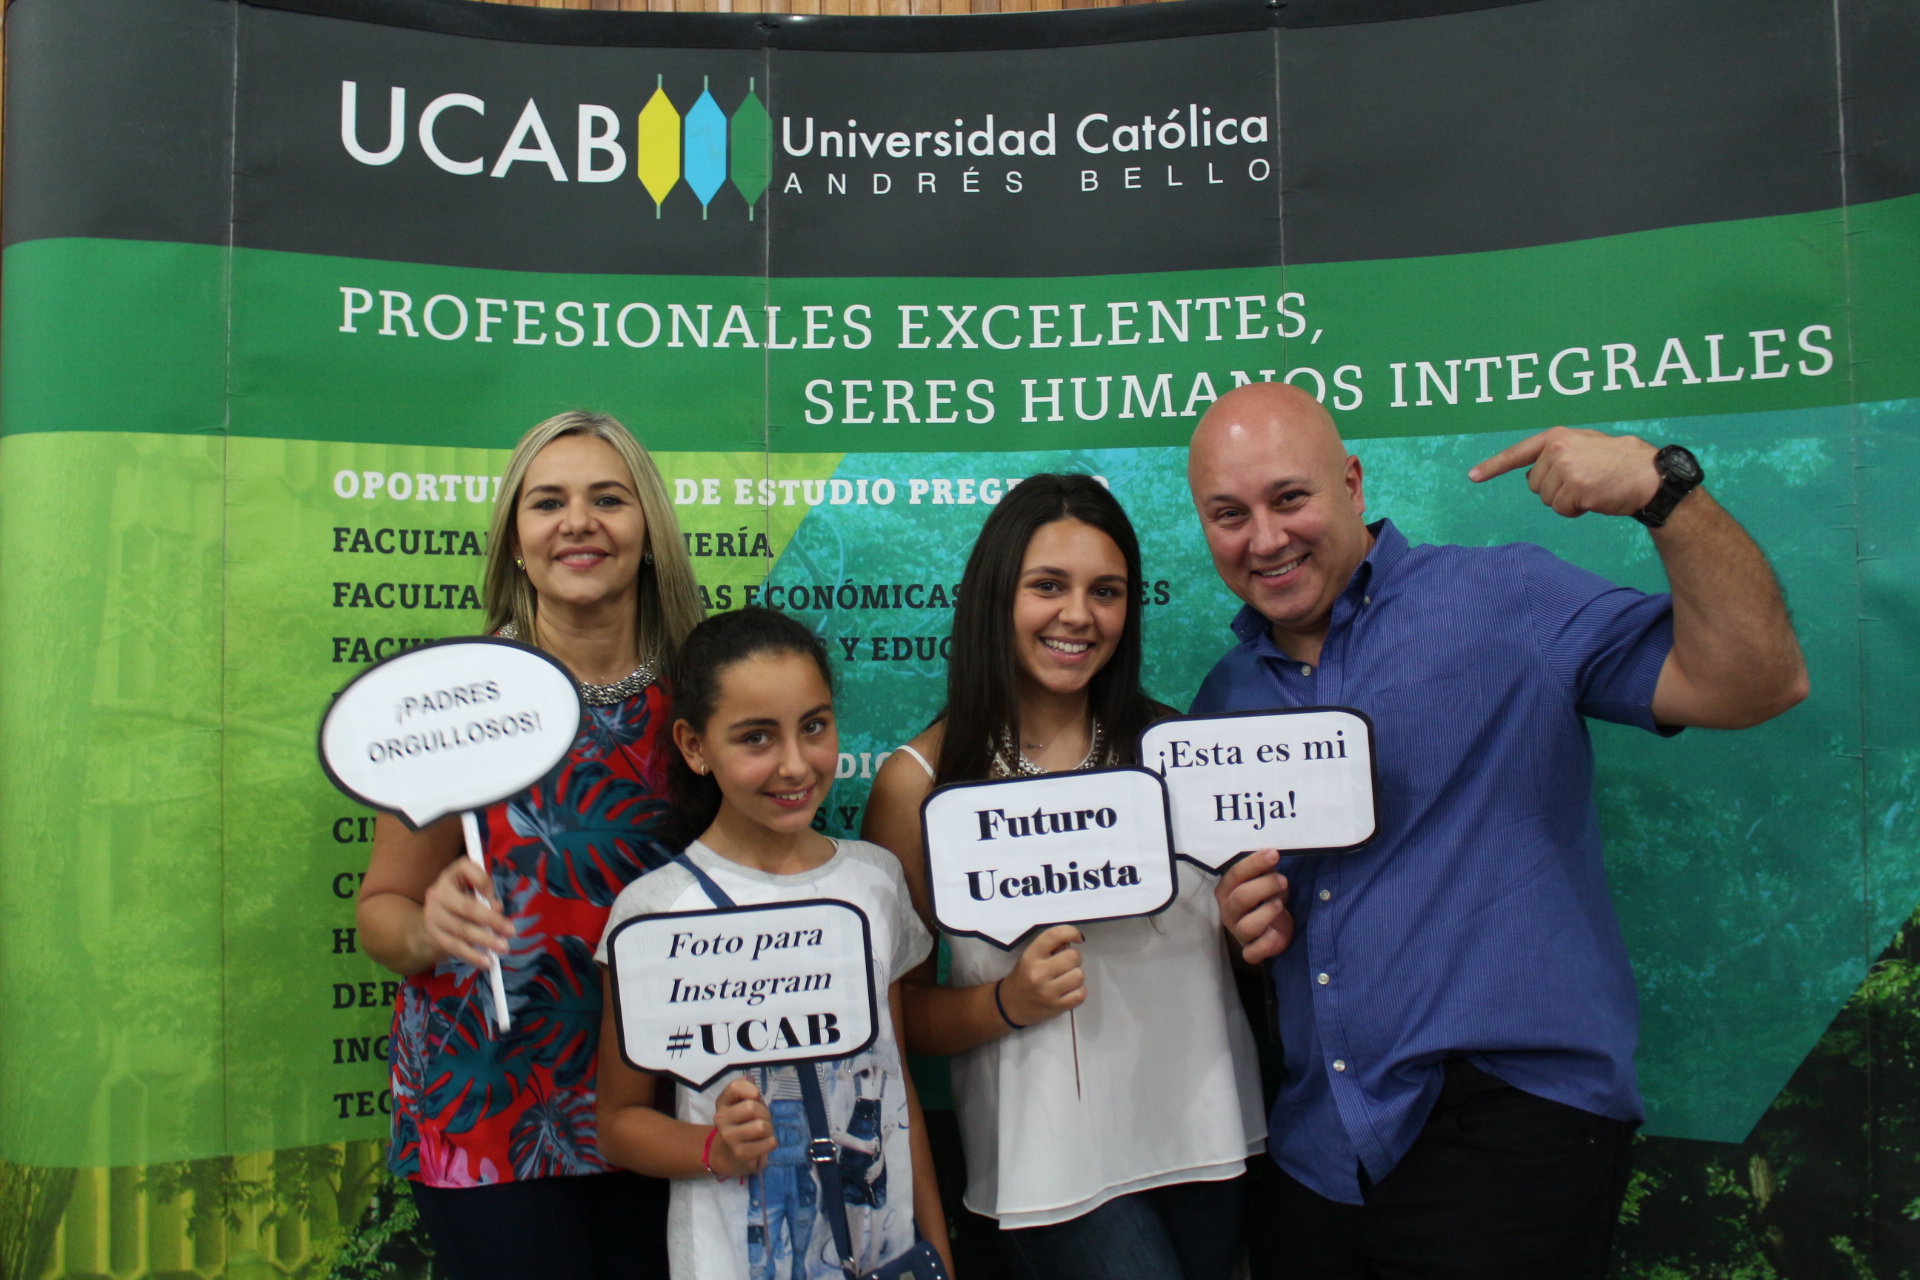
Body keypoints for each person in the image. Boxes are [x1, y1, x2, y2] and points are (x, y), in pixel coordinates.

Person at [1190, 383, 1809, 1277]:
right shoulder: (1224, 700)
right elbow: (1246, 915)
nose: (1266, 538)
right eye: (1229, 514)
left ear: (1353, 483)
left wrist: (1662, 491)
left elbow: (1760, 681)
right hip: (1316, 1158)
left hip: (1513, 1135)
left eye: (1290, 498)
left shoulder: (1507, 596)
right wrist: (1238, 915)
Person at [862, 473, 1265, 1280]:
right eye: (1048, 586)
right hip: (1051, 1164)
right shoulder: (922, 783)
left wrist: (1247, 923)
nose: (1079, 615)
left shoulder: (1181, 754)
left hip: (1211, 1138)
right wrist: (1007, 1001)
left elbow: (1251, 945)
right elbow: (895, 1022)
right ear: (993, 598)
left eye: (1106, 591)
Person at [355, 411, 704, 1280]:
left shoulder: (708, 695)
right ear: (516, 540)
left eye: (608, 499)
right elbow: (381, 911)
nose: (578, 522)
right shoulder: (454, 701)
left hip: (669, 1108)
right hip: (490, 1115)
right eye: (548, 502)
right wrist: (427, 930)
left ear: (649, 532)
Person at [593, 607, 954, 1280]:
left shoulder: (874, 882)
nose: (794, 764)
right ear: (695, 747)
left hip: (885, 1253)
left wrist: (936, 1248)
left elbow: (897, 1083)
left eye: (813, 727)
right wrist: (712, 1147)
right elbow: (616, 1120)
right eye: (757, 738)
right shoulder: (655, 911)